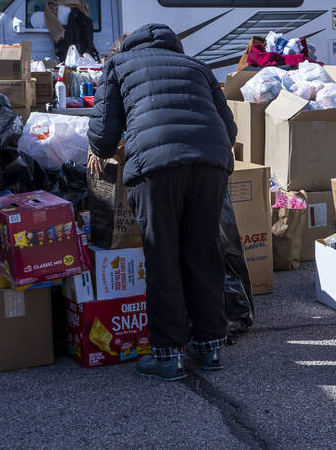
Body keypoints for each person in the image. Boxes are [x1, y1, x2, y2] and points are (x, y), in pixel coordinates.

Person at [86, 23, 237, 381]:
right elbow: (229, 128)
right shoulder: (198, 67)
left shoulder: (119, 65)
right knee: (204, 252)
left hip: (156, 168)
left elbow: (104, 125)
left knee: (162, 255)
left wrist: (100, 150)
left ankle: (168, 354)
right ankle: (210, 345)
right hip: (211, 162)